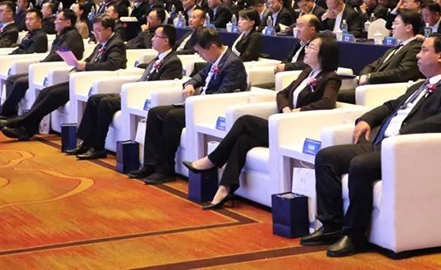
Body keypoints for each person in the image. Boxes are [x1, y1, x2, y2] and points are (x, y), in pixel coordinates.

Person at [301, 35, 441, 257]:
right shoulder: (420, 86)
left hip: (405, 149)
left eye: (423, 50)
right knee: (326, 157)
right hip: (382, 144)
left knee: (360, 165)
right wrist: (366, 119)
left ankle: (354, 235)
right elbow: (391, 106)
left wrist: (404, 133)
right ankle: (331, 226)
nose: (417, 56)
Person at [185, 36, 341, 209]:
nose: (306, 49)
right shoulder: (306, 72)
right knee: (243, 140)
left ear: (324, 54)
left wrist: (298, 111)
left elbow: (327, 102)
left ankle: (212, 160)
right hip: (283, 122)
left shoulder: (331, 78)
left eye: (311, 47)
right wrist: (286, 109)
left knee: (245, 121)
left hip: (298, 130)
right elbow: (282, 94)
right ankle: (225, 188)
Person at [128, 29, 248, 185]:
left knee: (172, 117)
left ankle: (165, 170)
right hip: (198, 105)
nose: (200, 55)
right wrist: (190, 85)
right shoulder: (215, 59)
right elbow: (198, 77)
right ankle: (150, 164)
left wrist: (195, 101)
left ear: (212, 47)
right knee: (155, 113)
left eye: (201, 52)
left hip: (212, 109)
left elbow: (223, 94)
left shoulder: (232, 64)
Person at [0, 16, 127, 141]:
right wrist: (78, 66)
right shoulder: (102, 44)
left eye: (99, 30)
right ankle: (27, 127)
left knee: (54, 94)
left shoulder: (116, 44)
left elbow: (112, 65)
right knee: (46, 91)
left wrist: (86, 66)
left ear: (109, 30)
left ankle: (20, 122)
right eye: (94, 31)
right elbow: (90, 59)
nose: (96, 34)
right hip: (83, 80)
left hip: (94, 82)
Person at [67, 25, 184, 160]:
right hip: (135, 92)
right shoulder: (157, 58)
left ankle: (98, 147)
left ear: (165, 40)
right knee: (94, 99)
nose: (152, 39)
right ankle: (85, 142)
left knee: (106, 103)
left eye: (156, 36)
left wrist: (133, 91)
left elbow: (162, 85)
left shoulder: (173, 62)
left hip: (142, 97)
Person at [0, 9, 85, 125]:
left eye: (58, 19)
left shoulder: (72, 36)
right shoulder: (62, 35)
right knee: (12, 79)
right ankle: (7, 112)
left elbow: (60, 55)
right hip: (46, 67)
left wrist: (42, 65)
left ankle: (6, 113)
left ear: (68, 22)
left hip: (57, 70)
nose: (55, 22)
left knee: (20, 82)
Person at [354, 11, 424, 102]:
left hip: (386, 91)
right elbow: (372, 66)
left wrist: (370, 77)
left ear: (408, 27)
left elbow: (402, 73)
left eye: (396, 23)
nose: (392, 26)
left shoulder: (415, 48)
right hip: (371, 88)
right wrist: (364, 75)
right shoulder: (394, 48)